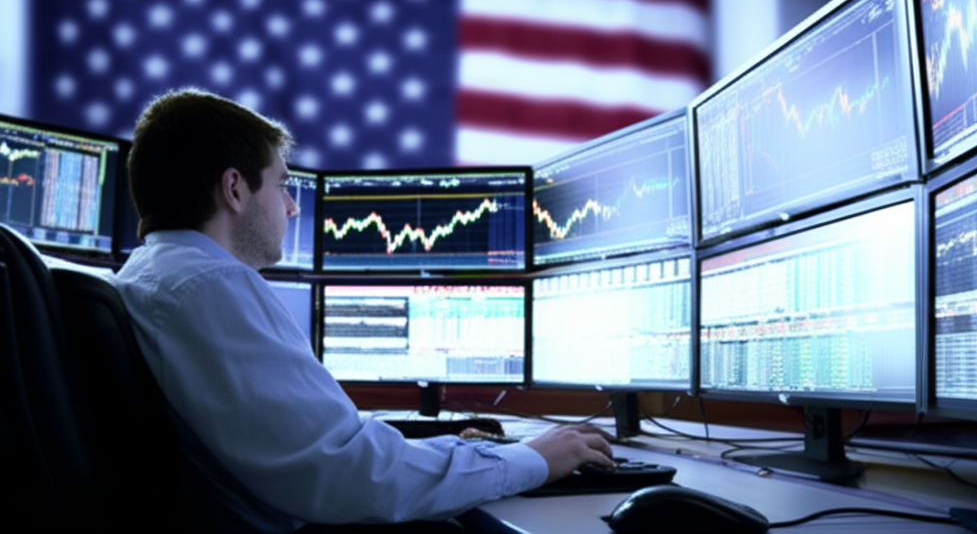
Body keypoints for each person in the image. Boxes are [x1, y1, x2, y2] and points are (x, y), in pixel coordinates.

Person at [111, 88, 614, 532]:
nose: (290, 206)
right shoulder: (209, 287)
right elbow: (351, 474)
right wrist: (530, 460)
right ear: (235, 188)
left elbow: (332, 452)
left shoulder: (155, 274)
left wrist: (470, 451)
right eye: (282, 184)